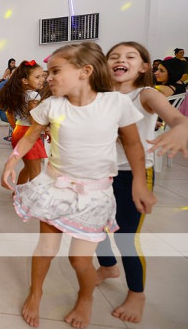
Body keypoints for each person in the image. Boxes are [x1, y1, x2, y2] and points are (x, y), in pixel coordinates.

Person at [1, 42, 155, 329]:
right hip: (55, 187)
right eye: (47, 72)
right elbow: (31, 135)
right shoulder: (52, 105)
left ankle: (85, 298)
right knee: (46, 248)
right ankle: (36, 292)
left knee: (79, 260)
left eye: (55, 71)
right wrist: (12, 160)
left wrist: (139, 181)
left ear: (85, 71)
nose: (48, 78)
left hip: (94, 196)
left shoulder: (115, 103)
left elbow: (134, 144)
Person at [96, 42, 187, 323]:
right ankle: (108, 266)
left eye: (130, 56)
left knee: (125, 237)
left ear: (144, 66)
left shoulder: (146, 94)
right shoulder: (101, 95)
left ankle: (137, 293)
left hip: (132, 175)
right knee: (94, 227)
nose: (120, 60)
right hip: (100, 173)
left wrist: (182, 128)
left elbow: (176, 118)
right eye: (114, 56)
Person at [0, 60, 47, 184]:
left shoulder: (20, 94)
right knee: (36, 170)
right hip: (29, 133)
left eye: (42, 76)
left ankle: (17, 193)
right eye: (37, 77)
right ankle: (33, 195)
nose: (42, 80)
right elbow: (34, 119)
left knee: (28, 168)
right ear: (25, 80)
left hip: (18, 131)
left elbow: (9, 114)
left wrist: (16, 128)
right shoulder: (34, 96)